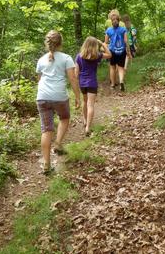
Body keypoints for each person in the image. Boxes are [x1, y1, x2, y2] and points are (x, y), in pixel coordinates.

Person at [36, 30, 81, 175]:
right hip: (59, 96)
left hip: (42, 96)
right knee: (65, 117)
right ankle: (58, 143)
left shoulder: (41, 59)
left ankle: (46, 165)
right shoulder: (66, 58)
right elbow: (73, 79)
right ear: (61, 43)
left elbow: (39, 79)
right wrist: (77, 97)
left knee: (46, 129)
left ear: (47, 43)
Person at [75, 37, 111, 136]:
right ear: (95, 46)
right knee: (90, 105)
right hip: (92, 83)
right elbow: (109, 55)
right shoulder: (97, 56)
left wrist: (78, 82)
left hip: (82, 83)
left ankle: (85, 120)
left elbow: (76, 73)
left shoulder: (79, 56)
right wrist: (102, 44)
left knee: (84, 101)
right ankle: (88, 128)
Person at [105, 11, 131, 92]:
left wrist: (106, 51)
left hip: (112, 51)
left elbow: (105, 43)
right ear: (119, 21)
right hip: (122, 51)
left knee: (112, 68)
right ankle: (121, 82)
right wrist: (128, 51)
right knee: (121, 68)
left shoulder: (108, 30)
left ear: (111, 22)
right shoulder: (123, 29)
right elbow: (126, 41)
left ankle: (112, 85)